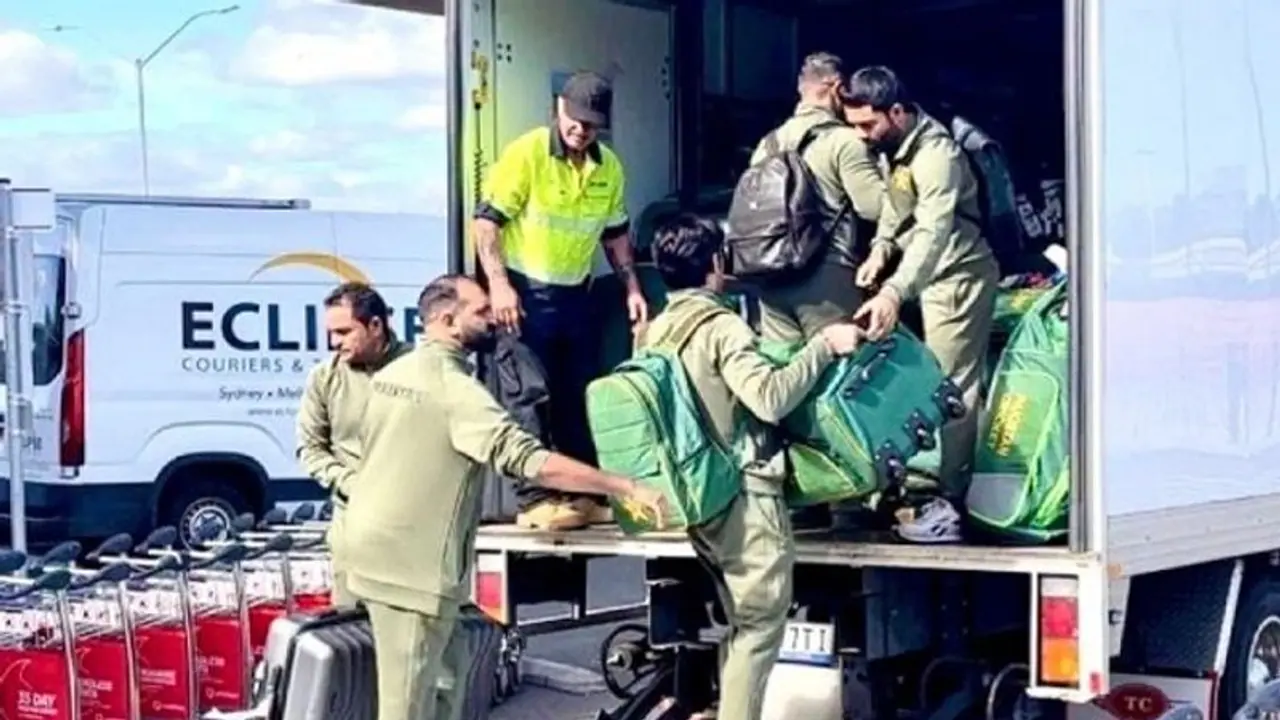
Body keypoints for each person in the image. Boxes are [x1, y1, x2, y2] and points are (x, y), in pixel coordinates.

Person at [342, 274, 666, 720]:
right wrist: (624, 486)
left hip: (375, 553)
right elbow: (529, 460)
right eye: (480, 309)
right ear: (446, 319)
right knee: (408, 707)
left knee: (446, 686)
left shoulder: (392, 374)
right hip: (411, 572)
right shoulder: (453, 389)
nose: (493, 315)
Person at [643, 214, 869, 720]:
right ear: (716, 265)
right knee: (761, 625)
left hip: (695, 493)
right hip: (744, 493)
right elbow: (768, 399)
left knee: (741, 623)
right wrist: (823, 347)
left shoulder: (656, 330)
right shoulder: (721, 325)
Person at [473, 70, 650, 532]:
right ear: (558, 108)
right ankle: (535, 499)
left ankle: (582, 494)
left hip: (575, 294)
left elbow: (615, 234)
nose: (580, 130)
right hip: (523, 293)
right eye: (574, 119)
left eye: (591, 124)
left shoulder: (607, 166)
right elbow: (487, 223)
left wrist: (630, 286)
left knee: (578, 395)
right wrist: (498, 285)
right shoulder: (528, 152)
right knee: (529, 394)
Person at [842, 66, 1001, 543]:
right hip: (920, 277)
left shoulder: (938, 156)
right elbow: (897, 203)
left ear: (897, 111)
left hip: (956, 276)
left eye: (867, 126)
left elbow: (933, 231)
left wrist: (894, 290)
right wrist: (881, 247)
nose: (860, 137)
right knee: (916, 382)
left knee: (954, 390)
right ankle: (907, 487)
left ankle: (951, 504)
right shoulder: (898, 149)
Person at [748, 51, 885, 343]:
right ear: (837, 89)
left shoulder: (766, 145)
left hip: (771, 281)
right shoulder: (843, 141)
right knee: (843, 375)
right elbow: (875, 208)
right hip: (827, 280)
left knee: (790, 374)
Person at [295, 282, 409, 607]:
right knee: (351, 633)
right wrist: (349, 481)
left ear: (376, 325)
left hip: (415, 522)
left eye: (344, 332)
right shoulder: (324, 377)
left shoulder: (419, 368)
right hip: (354, 521)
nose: (334, 343)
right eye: (331, 333)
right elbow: (310, 448)